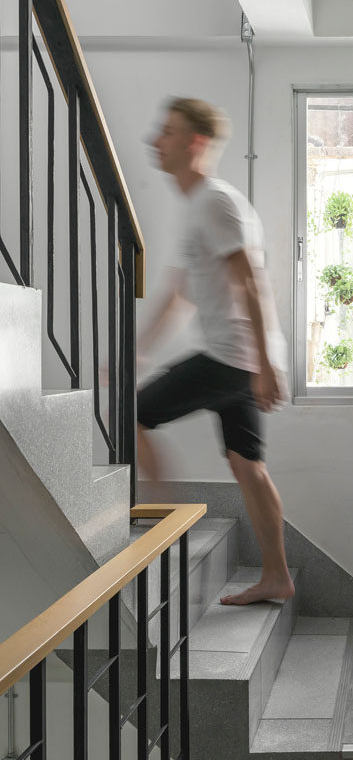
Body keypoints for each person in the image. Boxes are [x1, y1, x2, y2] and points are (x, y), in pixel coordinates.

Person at [136, 96, 294, 606]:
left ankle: (161, 524)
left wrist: (265, 368)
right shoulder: (199, 206)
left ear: (194, 143)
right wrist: (136, 352)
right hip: (241, 360)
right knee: (247, 465)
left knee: (132, 413)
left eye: (167, 131)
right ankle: (277, 576)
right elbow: (180, 294)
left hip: (233, 357)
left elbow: (251, 282)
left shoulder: (214, 202)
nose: (154, 140)